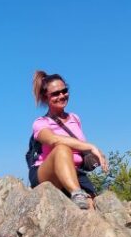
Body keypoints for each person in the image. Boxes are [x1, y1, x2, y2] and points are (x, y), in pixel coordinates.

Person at [28, 70, 108, 210]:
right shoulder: (40, 123)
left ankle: (78, 194)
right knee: (62, 148)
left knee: (93, 209)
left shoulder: (75, 118)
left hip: (75, 171)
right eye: (55, 94)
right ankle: (77, 194)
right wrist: (89, 146)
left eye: (64, 91)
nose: (61, 95)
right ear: (45, 97)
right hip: (46, 173)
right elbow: (53, 140)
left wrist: (94, 153)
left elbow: (79, 147)